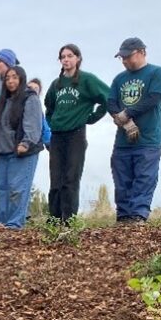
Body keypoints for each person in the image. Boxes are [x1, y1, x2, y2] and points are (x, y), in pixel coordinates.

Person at [44, 43, 110, 223]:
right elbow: (49, 108)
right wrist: (52, 124)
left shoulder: (87, 80)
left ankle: (69, 221)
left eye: (70, 56)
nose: (66, 59)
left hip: (76, 134)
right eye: (63, 57)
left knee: (71, 179)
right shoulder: (56, 84)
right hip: (57, 136)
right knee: (56, 180)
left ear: (78, 58)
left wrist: (93, 117)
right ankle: (54, 220)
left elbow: (107, 97)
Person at [107, 37, 161, 223]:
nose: (124, 61)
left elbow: (154, 98)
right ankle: (124, 216)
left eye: (128, 56)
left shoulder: (156, 73)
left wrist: (128, 113)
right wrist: (125, 122)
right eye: (122, 58)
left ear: (141, 52)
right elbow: (111, 102)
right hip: (123, 140)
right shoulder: (119, 79)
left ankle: (138, 216)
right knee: (122, 178)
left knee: (144, 177)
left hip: (148, 139)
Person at [0, 66, 43, 228]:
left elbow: (33, 124)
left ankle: (15, 224)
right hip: (3, 152)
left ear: (21, 79)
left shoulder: (30, 98)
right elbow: (0, 126)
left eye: (14, 77)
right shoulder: (4, 101)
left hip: (23, 152)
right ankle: (1, 222)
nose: (11, 81)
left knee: (17, 189)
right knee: (1, 189)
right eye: (7, 78)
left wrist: (26, 143)